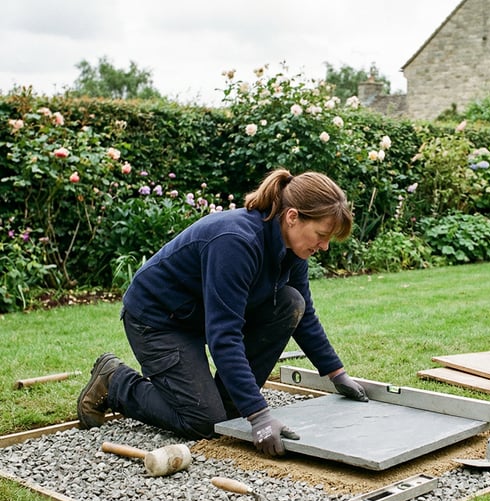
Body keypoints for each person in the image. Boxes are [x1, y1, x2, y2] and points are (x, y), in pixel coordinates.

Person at [76, 168, 368, 456]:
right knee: (204, 421)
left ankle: (230, 401)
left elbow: (303, 315)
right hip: (159, 320)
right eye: (321, 234)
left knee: (291, 303)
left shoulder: (292, 250)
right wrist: (259, 416)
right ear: (293, 217)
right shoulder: (236, 242)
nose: (325, 246)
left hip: (198, 316)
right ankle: (115, 382)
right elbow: (224, 335)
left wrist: (335, 373)